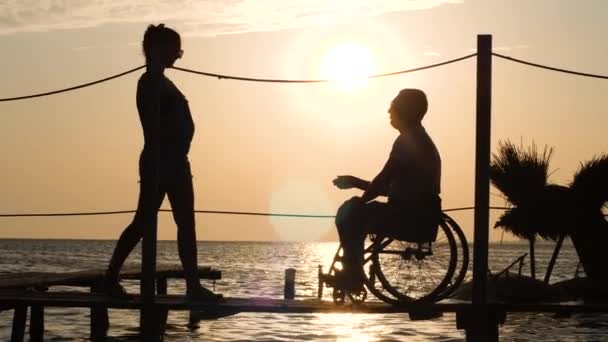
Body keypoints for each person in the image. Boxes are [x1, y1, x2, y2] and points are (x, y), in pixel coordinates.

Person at [104, 24, 218, 300]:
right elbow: (152, 126)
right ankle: (110, 278)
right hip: (160, 160)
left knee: (185, 224)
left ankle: (192, 286)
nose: (178, 55)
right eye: (174, 49)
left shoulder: (164, 81)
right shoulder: (150, 81)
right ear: (157, 49)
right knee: (143, 221)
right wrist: (161, 161)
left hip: (177, 161)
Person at [332, 88, 442, 291]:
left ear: (405, 111)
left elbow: (384, 180)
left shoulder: (408, 141)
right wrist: (357, 183)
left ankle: (352, 274)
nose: (388, 111)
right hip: (419, 213)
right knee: (355, 208)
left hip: (407, 216)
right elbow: (393, 188)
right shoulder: (420, 139)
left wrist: (361, 200)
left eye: (393, 106)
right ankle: (353, 270)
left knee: (349, 212)